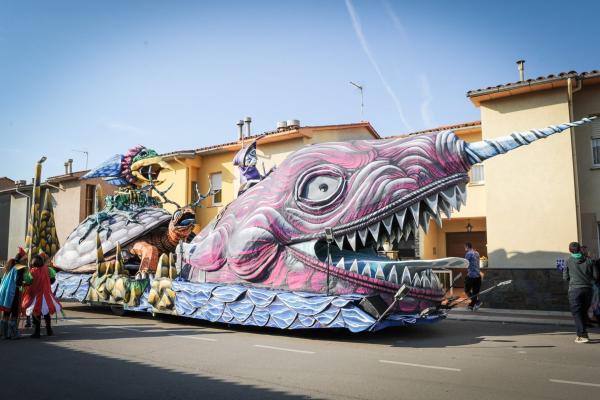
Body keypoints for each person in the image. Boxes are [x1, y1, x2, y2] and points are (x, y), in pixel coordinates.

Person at [563, 241, 599, 343]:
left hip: (574, 289)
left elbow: (565, 277)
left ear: (570, 250)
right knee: (583, 311)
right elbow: (596, 276)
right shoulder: (589, 260)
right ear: (580, 249)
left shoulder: (568, 261)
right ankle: (580, 334)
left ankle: (583, 335)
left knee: (577, 312)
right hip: (588, 289)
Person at [21, 254, 62, 338]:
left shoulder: (32, 272)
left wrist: (25, 284)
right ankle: (49, 330)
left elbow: (28, 282)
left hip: (36, 296)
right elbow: (52, 280)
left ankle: (37, 332)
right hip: (46, 295)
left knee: (36, 313)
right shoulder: (48, 269)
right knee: (46, 313)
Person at [0, 248, 28, 339]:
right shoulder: (19, 267)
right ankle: (13, 334)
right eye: (25, 259)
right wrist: (25, 283)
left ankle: (4, 334)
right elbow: (18, 282)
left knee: (6, 313)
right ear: (22, 259)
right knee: (14, 312)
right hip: (12, 292)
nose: (26, 261)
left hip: (4, 292)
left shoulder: (10, 265)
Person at [464, 242, 482, 311]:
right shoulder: (477, 253)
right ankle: (471, 306)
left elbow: (465, 263)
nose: (464, 249)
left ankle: (477, 302)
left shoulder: (468, 254)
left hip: (471, 276)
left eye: (465, 247)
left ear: (467, 247)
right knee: (475, 292)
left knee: (466, 290)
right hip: (478, 275)